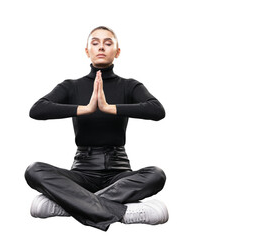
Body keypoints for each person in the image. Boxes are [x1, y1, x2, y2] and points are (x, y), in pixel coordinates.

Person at [24, 26, 168, 231]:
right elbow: (37, 110)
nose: (101, 47)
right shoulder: (71, 86)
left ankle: (69, 206)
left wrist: (110, 108)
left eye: (108, 43)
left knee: (157, 175)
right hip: (82, 173)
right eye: (95, 43)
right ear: (87, 51)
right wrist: (86, 108)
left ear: (117, 52)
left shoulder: (130, 86)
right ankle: (123, 212)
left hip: (119, 174)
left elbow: (157, 110)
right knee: (34, 170)